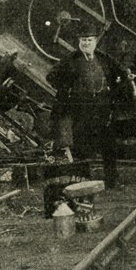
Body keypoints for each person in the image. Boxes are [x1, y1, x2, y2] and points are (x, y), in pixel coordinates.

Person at [46, 22, 126, 188]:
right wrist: (67, 89)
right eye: (83, 40)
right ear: (79, 42)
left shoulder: (104, 58)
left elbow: (122, 73)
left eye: (89, 40)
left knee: (108, 146)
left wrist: (122, 80)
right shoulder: (70, 60)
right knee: (82, 146)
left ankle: (112, 181)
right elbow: (51, 76)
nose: (86, 43)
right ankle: (84, 184)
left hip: (103, 108)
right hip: (81, 109)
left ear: (95, 42)